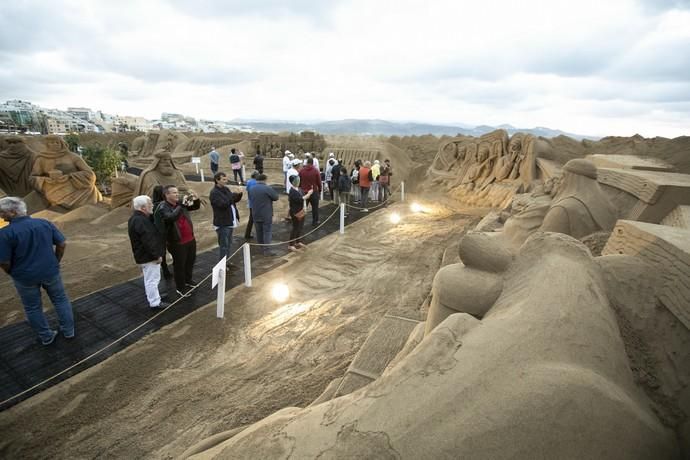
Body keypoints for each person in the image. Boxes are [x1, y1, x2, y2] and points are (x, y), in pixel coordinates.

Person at [0, 196, 75, 345]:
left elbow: (3, 261)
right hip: (50, 271)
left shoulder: (4, 234)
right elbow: (62, 243)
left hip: (24, 276)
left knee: (33, 308)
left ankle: (46, 336)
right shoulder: (44, 223)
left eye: (2, 212)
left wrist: (11, 272)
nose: (1, 215)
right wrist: (56, 260)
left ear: (13, 212)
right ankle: (69, 331)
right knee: (60, 300)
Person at [30, 135, 102, 209]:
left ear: (62, 144)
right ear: (46, 145)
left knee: (90, 192)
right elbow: (33, 178)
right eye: (52, 142)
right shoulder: (41, 159)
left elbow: (90, 174)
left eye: (57, 142)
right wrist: (45, 180)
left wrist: (70, 176)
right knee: (57, 202)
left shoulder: (73, 156)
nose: (55, 144)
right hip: (54, 190)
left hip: (78, 188)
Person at [158, 185, 201, 297]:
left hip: (190, 239)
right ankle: (180, 288)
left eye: (177, 192)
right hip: (177, 242)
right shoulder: (163, 207)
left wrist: (196, 199)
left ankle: (188, 280)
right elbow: (171, 217)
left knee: (190, 261)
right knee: (179, 266)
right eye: (174, 193)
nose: (177, 194)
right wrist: (181, 205)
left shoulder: (180, 204)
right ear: (166, 195)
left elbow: (194, 207)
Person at [128, 195, 169, 310]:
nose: (152, 206)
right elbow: (148, 240)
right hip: (148, 256)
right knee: (152, 279)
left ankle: (154, 296)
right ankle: (155, 302)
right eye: (149, 204)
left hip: (145, 255)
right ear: (143, 207)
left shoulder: (137, 218)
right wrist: (156, 255)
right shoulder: (140, 220)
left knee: (150, 279)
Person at [209, 172, 243, 269]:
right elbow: (223, 204)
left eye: (226, 179)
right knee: (224, 246)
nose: (226, 181)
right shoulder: (214, 193)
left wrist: (239, 194)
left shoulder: (226, 189)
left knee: (228, 244)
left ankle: (227, 262)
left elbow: (233, 200)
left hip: (230, 221)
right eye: (223, 179)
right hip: (222, 223)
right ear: (217, 180)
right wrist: (232, 196)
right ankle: (222, 266)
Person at [247, 173, 279, 255]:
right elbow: (276, 197)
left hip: (255, 213)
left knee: (259, 231)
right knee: (267, 231)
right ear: (265, 180)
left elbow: (250, 198)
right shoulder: (267, 188)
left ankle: (261, 247)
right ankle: (266, 250)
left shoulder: (252, 188)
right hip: (266, 213)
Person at [151, 185, 172, 279]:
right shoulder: (164, 205)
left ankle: (165, 270)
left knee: (162, 251)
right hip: (167, 231)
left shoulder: (152, 206)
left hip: (157, 232)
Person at [287, 175, 312, 252]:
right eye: (296, 181)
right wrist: (309, 194)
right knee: (295, 227)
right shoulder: (292, 191)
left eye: (298, 180)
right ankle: (291, 244)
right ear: (292, 182)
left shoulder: (299, 189)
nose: (298, 182)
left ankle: (298, 241)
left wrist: (307, 193)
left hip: (301, 210)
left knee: (300, 227)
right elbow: (301, 199)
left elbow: (303, 195)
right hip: (295, 212)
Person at [299, 157, 322, 225]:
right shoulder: (316, 171)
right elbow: (319, 182)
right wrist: (320, 190)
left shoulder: (301, 171)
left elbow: (298, 181)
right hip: (313, 192)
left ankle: (300, 222)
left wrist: (300, 188)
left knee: (302, 207)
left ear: (307, 163)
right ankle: (315, 221)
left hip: (304, 192)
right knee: (315, 208)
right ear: (312, 163)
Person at [244, 170, 259, 240]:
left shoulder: (249, 182)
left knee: (252, 219)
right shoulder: (256, 183)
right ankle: (257, 233)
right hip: (256, 203)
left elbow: (248, 192)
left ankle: (248, 233)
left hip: (250, 202)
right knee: (255, 219)